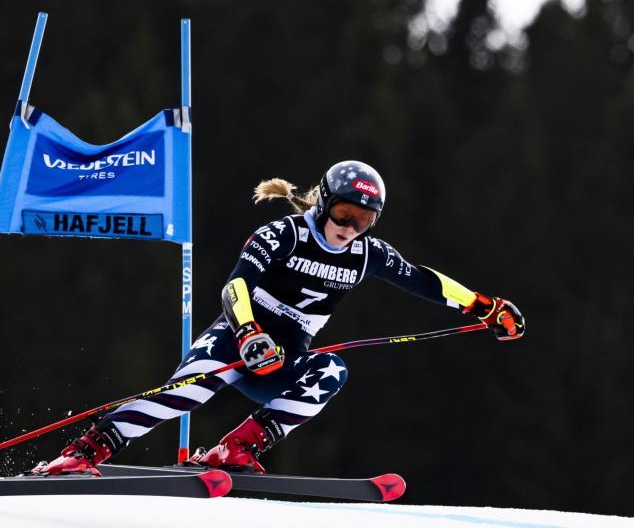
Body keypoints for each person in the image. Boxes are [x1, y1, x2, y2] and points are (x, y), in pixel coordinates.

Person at [31, 160, 524, 476]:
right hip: (235, 340)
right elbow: (235, 285)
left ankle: (236, 448)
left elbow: (422, 279)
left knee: (331, 371)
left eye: (364, 221)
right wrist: (248, 334)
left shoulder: (365, 252)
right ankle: (85, 452)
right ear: (326, 203)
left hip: (285, 360)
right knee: (188, 392)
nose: (350, 229)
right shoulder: (285, 233)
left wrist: (484, 306)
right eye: (345, 215)